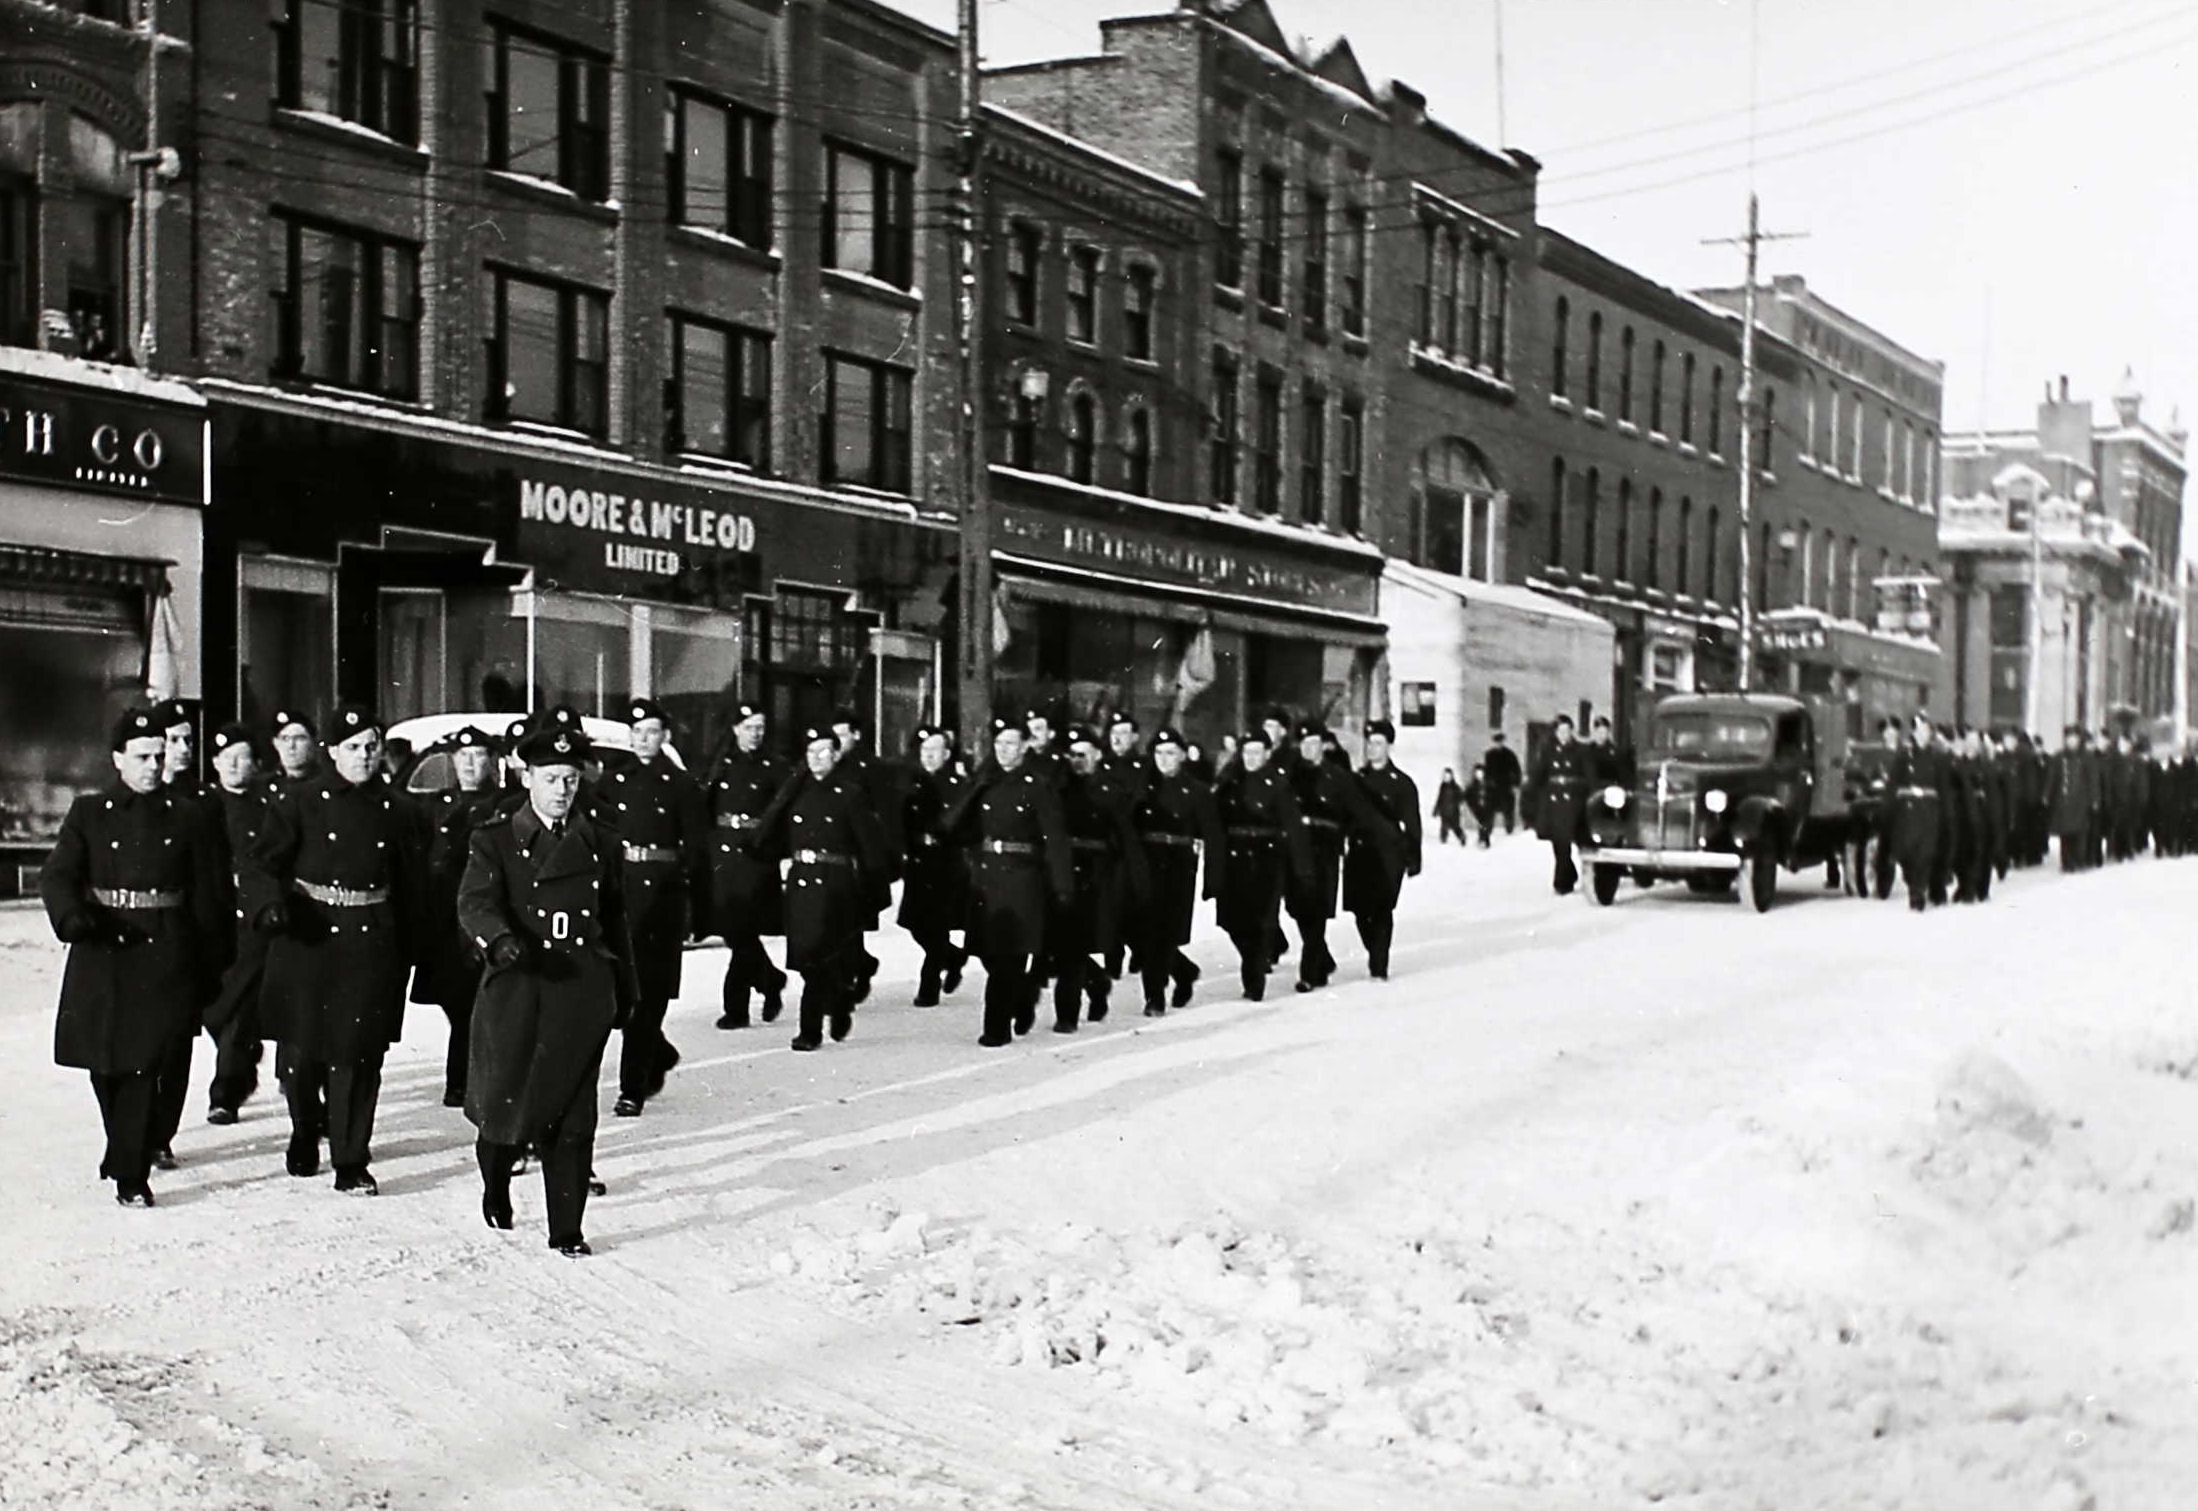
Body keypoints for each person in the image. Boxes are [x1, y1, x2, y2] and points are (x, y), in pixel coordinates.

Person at [460, 723, 635, 1257]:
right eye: (551, 778)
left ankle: (567, 1229)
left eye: (570, 779)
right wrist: (500, 942)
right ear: (526, 776)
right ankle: (495, 1181)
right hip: (517, 989)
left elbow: (614, 920)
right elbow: (474, 903)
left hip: (579, 993)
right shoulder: (494, 838)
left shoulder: (601, 842)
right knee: (505, 1106)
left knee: (574, 1115)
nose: (562, 790)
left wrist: (626, 987)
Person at [40, 708, 226, 1207]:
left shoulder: (188, 816)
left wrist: (211, 963)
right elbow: (58, 875)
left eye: (158, 757)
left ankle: (131, 1173)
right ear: (118, 759)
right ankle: (123, 1142)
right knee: (105, 1063)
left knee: (144, 1064)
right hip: (102, 949)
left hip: (165, 951)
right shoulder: (89, 813)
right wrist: (73, 918)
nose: (151, 766)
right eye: (141, 757)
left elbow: (208, 895)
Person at [243, 704, 429, 1194]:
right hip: (310, 934)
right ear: (332, 752)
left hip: (371, 937)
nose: (364, 756)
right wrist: (270, 908)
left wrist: (412, 950)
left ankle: (350, 1160)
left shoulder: (401, 810)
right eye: (352, 748)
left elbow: (414, 886)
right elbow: (262, 865)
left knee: (359, 1055)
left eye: (371, 747)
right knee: (302, 1055)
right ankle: (306, 1129)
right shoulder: (300, 801)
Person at [748, 726, 893, 1051]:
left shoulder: (850, 793)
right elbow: (770, 834)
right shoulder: (794, 792)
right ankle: (839, 998)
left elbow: (870, 847)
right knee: (808, 957)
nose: (816, 759)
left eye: (823, 752)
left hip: (836, 882)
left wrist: (872, 892)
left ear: (837, 754)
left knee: (823, 957)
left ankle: (810, 1028)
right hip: (801, 880)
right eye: (810, 752)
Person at [601, 699, 709, 1118]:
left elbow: (699, 852)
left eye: (651, 731)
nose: (644, 740)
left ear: (665, 736)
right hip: (621, 895)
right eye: (637, 732)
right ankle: (657, 1053)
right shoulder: (612, 782)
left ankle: (631, 1088)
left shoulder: (681, 785)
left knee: (649, 997)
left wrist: (700, 913)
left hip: (662, 897)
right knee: (619, 994)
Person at [943, 717, 1072, 1047]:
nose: (1003, 750)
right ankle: (1024, 992)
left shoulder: (1037, 785)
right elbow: (959, 826)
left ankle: (996, 1027)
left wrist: (1062, 885)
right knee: (988, 952)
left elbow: (1054, 838)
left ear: (1026, 746)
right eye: (998, 744)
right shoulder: (986, 781)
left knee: (1006, 956)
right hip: (987, 877)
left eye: (1011, 744)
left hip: (1022, 877)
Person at [408, 726, 502, 1109]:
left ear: (491, 761)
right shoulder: (436, 804)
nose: (468, 763)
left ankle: (464, 1081)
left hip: (480, 918)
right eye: (461, 756)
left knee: (477, 1004)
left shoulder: (500, 805)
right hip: (443, 922)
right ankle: (461, 1079)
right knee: (458, 1003)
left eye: (477, 755)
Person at [197, 723, 275, 1125]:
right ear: (214, 763)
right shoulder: (202, 806)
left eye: (243, 757)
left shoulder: (270, 806)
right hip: (213, 920)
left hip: (255, 922)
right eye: (226, 758)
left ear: (256, 764)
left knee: (241, 1007)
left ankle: (225, 1091)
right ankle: (244, 1056)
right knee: (214, 1009)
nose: (234, 765)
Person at [701, 702, 788, 1028]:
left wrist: (774, 852)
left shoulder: (773, 767)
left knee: (743, 933)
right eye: (749, 727)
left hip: (755, 856)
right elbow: (706, 805)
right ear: (736, 729)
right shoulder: (720, 763)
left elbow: (781, 814)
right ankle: (770, 979)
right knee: (733, 931)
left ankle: (736, 1007)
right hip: (724, 856)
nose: (755, 734)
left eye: (760, 728)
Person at [1050, 727, 1143, 1031]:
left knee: (1073, 946)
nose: (1077, 761)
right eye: (1072, 755)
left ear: (1097, 756)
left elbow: (1126, 838)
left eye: (1083, 754)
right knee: (1062, 944)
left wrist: (1134, 879)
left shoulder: (1111, 791)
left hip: (1096, 874)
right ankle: (1098, 982)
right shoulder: (1057, 788)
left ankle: (1067, 1014)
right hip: (1060, 870)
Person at [1210, 728, 1311, 1001]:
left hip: (1267, 858)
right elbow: (1214, 817)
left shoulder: (1278, 784)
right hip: (1234, 858)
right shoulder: (1230, 781)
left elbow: (1293, 825)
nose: (1251, 758)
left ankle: (1254, 981)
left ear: (1267, 754)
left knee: (1261, 920)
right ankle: (1255, 957)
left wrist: (1301, 867)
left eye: (1257, 752)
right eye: (1247, 752)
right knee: (1232, 920)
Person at [1128, 728, 1221, 1015]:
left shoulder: (1196, 791)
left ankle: (1154, 997)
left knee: (1164, 932)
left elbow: (1213, 835)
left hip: (1178, 866)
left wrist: (1213, 880)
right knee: (1142, 933)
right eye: (1158, 753)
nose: (1164, 760)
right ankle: (1183, 970)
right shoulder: (1142, 786)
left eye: (1170, 753)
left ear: (1182, 756)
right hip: (1145, 863)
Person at [1285, 720, 1381, 992]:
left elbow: (1358, 812)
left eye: (1314, 743)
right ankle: (1323, 959)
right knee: (1296, 907)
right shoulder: (1290, 775)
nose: (1308, 749)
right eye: (1304, 744)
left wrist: (1350, 837)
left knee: (1316, 909)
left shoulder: (1338, 777)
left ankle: (1308, 972)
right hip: (1295, 847)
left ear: (1323, 746)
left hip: (1325, 848)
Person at [831, 709, 905, 1000]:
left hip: (861, 856)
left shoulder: (870, 768)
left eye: (842, 735)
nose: (837, 741)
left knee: (853, 919)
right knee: (841, 920)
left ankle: (853, 972)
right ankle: (858, 963)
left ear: (856, 735)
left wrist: (887, 857)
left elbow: (886, 814)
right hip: (838, 852)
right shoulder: (829, 764)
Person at [898, 724, 970, 1006]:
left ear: (947, 753)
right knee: (915, 924)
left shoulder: (957, 785)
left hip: (945, 859)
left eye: (934, 751)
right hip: (918, 859)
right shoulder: (911, 782)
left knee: (937, 924)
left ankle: (929, 984)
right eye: (924, 750)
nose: (928, 756)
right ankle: (953, 957)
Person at [1344, 720, 1420, 981]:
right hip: (1360, 851)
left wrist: (1413, 857)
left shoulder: (1401, 783)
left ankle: (1379, 962)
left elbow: (1412, 823)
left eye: (1378, 744)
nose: (1372, 749)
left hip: (1388, 853)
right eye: (1370, 744)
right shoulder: (1356, 780)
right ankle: (1374, 950)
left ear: (1389, 746)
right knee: (1359, 911)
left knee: (1381, 907)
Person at [1523, 715, 1589, 896]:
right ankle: (1569, 873)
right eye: (1561, 731)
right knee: (1558, 843)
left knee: (1566, 840)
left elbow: (1587, 776)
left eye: (1567, 731)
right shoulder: (1548, 750)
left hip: (1572, 802)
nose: (1564, 735)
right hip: (1552, 802)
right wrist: (1529, 793)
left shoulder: (1579, 750)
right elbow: (1538, 774)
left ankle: (1562, 881)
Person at [2047, 725, 2098, 873]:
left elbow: (2092, 780)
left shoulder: (2087, 757)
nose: (2071, 741)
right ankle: (2066, 862)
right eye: (2069, 738)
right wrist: (2047, 795)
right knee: (2065, 834)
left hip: (2081, 801)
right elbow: (2052, 778)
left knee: (2080, 832)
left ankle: (2079, 860)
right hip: (2063, 801)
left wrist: (2094, 799)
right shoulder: (2059, 757)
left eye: (2074, 738)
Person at [269, 707, 323, 791]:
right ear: (275, 743)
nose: (291, 746)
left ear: (313, 742)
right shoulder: (262, 788)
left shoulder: (326, 784)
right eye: (285, 739)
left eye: (299, 738)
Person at [1482, 731, 1522, 835]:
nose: (1498, 744)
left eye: (1500, 742)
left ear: (1503, 742)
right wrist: (1486, 783)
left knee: (1508, 810)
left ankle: (1509, 830)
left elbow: (1516, 770)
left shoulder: (1509, 754)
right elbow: (1486, 771)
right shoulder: (1489, 755)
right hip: (1492, 787)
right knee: (1489, 810)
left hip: (1506, 787)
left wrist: (1515, 784)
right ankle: (1487, 830)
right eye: (1496, 742)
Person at [1432, 767, 1466, 846]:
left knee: (1455, 826)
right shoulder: (1442, 786)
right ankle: (1443, 840)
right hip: (1444, 811)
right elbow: (1440, 798)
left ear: (1451, 777)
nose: (1446, 778)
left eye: (1448, 776)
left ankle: (1462, 837)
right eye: (1445, 776)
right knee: (1444, 826)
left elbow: (1461, 797)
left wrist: (1456, 803)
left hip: (1454, 812)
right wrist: (1436, 809)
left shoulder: (1455, 787)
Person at [1463, 764, 1494, 847]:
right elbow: (1467, 795)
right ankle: (1484, 840)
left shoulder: (1489, 784)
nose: (1479, 775)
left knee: (1488, 824)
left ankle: (1483, 838)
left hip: (1488, 807)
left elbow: (1494, 794)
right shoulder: (1472, 785)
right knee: (1483, 823)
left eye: (1481, 773)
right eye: (1477, 773)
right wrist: (1471, 804)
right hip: (1477, 808)